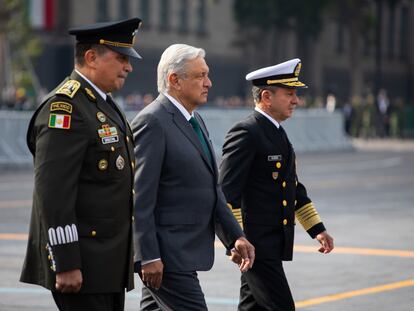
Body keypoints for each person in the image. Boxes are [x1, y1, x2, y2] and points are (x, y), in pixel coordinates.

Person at [20, 18, 143, 311]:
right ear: (91, 57)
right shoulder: (66, 108)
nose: (128, 67)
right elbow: (54, 194)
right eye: (121, 58)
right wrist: (65, 262)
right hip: (82, 262)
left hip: (107, 262)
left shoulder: (101, 104)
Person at [131, 43, 255, 310]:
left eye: (207, 74)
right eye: (200, 75)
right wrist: (148, 255)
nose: (208, 82)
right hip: (168, 256)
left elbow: (212, 189)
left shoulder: (195, 120)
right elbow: (140, 197)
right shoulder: (153, 121)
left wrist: (235, 236)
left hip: (182, 255)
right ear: (174, 80)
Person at [219, 58, 334, 311]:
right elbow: (226, 194)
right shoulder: (247, 133)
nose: (296, 100)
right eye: (290, 94)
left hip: (271, 244)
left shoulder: (277, 132)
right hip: (255, 246)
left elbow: (291, 187)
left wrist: (317, 229)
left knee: (252, 307)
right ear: (266, 96)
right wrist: (235, 240)